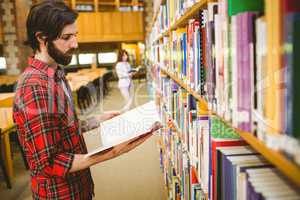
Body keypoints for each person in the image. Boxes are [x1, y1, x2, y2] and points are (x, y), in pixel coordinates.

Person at [12, 1, 160, 199]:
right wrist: (112, 152)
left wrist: (97, 120)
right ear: (41, 38)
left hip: (79, 187)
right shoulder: (35, 88)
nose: (75, 44)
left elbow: (62, 128)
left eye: (75, 35)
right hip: (60, 194)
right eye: (66, 37)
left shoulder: (57, 73)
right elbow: (49, 163)